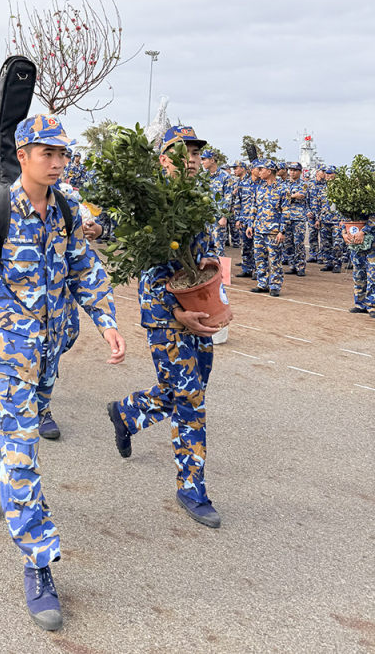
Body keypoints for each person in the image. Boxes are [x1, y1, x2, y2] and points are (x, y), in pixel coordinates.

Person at [0, 114, 125, 631]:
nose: (58, 162)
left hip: (49, 349)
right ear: (21, 156)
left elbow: (83, 268)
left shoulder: (66, 209)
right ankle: (38, 562)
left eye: (62, 153)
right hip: (8, 349)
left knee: (10, 428)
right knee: (22, 451)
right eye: (48, 153)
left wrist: (106, 320)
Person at [109, 125, 224, 530]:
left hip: (198, 312)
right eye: (183, 152)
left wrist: (212, 275)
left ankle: (127, 412)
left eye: (195, 153)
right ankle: (192, 489)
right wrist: (175, 313)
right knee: (190, 400)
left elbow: (205, 255)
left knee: (188, 389)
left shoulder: (196, 200)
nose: (191, 159)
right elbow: (148, 273)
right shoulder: (151, 205)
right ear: (163, 159)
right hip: (167, 320)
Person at [248, 159, 286, 296]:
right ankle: (262, 283)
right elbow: (254, 207)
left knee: (274, 259)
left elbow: (285, 211)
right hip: (259, 229)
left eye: (261, 169)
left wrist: (282, 231)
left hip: (273, 231)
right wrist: (250, 225)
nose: (259, 172)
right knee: (259, 258)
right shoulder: (260, 188)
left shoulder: (282, 189)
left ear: (269, 171)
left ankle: (275, 285)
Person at [201, 150, 234, 256]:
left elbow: (228, 198)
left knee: (218, 249)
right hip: (204, 218)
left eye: (204, 159)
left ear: (212, 160)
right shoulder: (202, 176)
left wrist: (224, 216)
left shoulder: (225, 177)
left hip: (218, 219)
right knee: (203, 248)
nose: (202, 162)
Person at [344, 215, 375, 317]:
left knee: (373, 275)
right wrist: (344, 233)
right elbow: (346, 217)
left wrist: (363, 231)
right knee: (358, 273)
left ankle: (372, 305)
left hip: (372, 243)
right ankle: (360, 303)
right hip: (357, 244)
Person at [283, 162, 309, 277]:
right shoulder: (284, 184)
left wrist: (288, 197)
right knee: (288, 243)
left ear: (300, 172)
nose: (292, 172)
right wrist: (293, 196)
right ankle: (291, 265)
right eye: (291, 170)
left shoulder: (304, 184)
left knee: (298, 243)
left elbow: (301, 195)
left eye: (295, 170)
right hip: (287, 217)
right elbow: (280, 197)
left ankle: (300, 266)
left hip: (298, 218)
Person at [316, 166, 343, 273]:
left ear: (335, 174)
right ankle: (328, 263)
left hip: (337, 220)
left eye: (330, 173)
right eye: (326, 173)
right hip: (324, 220)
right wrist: (318, 219)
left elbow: (345, 206)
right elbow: (319, 205)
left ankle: (337, 264)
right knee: (326, 244)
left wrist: (343, 220)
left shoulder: (341, 189)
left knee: (337, 244)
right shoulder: (323, 189)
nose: (327, 175)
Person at [234, 160, 257, 278]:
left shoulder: (262, 184)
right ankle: (247, 269)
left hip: (257, 220)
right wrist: (237, 218)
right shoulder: (243, 184)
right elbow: (238, 201)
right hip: (244, 218)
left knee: (257, 247)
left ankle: (258, 271)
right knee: (246, 246)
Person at [306, 167, 325, 262]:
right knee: (312, 235)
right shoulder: (310, 184)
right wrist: (308, 211)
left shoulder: (326, 185)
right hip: (312, 215)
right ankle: (313, 254)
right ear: (317, 172)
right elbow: (306, 200)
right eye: (322, 171)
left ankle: (321, 256)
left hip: (323, 215)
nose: (324, 173)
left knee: (323, 236)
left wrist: (320, 217)